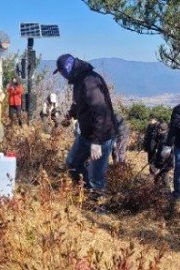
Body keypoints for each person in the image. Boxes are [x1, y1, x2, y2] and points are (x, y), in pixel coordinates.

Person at [56, 54, 116, 201]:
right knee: (72, 163)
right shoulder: (79, 81)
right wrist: (71, 114)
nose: (63, 76)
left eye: (62, 72)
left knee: (97, 178)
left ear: (68, 69)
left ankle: (98, 209)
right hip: (86, 134)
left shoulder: (89, 82)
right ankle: (86, 193)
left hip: (101, 137)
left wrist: (96, 142)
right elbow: (79, 103)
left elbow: (101, 112)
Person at [149, 122, 174, 186]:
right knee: (158, 175)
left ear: (161, 130)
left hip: (166, 163)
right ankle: (156, 188)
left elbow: (164, 155)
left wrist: (159, 165)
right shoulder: (163, 136)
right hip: (164, 162)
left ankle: (167, 191)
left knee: (164, 175)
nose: (158, 131)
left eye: (159, 129)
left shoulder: (166, 140)